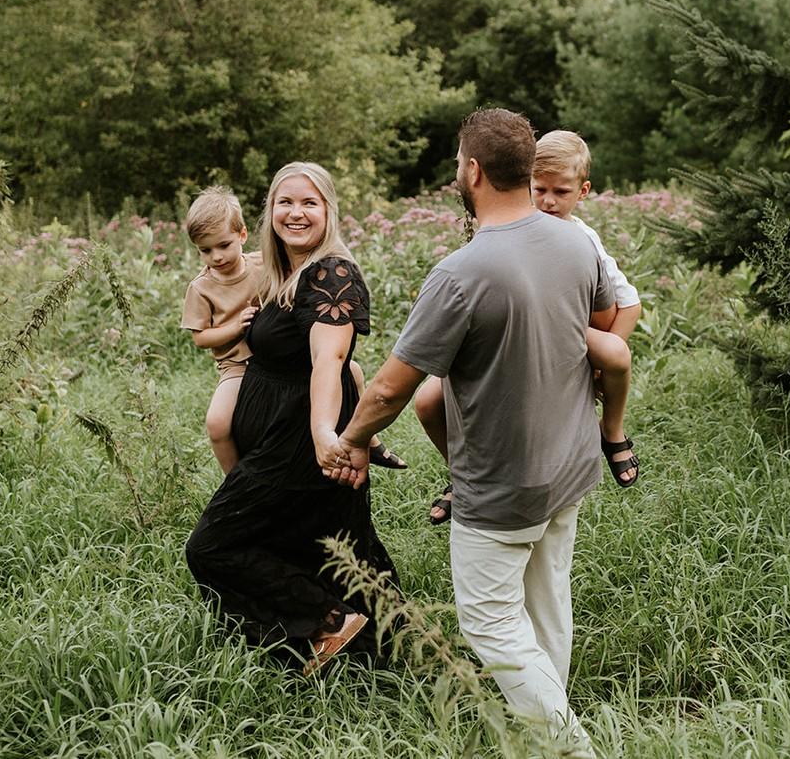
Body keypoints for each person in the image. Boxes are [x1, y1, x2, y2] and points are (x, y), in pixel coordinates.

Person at [324, 108, 631, 755]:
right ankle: (552, 718)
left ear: (473, 171)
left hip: (501, 483)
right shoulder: (577, 242)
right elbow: (606, 327)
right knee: (549, 602)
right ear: (527, 170)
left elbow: (389, 387)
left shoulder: (462, 273)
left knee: (491, 622)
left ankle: (570, 747)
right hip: (570, 465)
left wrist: (350, 439)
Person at [184, 162, 397, 676]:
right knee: (333, 542)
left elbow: (331, 360)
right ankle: (385, 649)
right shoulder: (284, 272)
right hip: (282, 435)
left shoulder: (331, 273)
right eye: (285, 202)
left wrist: (325, 432)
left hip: (300, 439)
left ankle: (328, 621)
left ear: (329, 210)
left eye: (309, 203)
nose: (295, 212)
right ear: (269, 212)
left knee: (213, 545)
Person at [415, 129, 640, 525]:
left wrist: (602, 358)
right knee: (428, 401)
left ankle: (613, 430)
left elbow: (629, 303)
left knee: (618, 353)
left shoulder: (582, 237)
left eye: (562, 192)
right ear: (525, 184)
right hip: (517, 331)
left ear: (583, 191)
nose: (549, 201)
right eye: (540, 189)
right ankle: (461, 475)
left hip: (568, 328)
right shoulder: (505, 225)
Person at [181, 185, 405, 475]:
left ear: (242, 235)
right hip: (238, 364)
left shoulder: (263, 263)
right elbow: (200, 338)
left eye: (223, 245)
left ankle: (369, 437)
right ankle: (233, 477)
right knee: (217, 422)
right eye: (205, 251)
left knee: (354, 372)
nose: (217, 257)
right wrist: (235, 328)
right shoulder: (201, 288)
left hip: (280, 357)